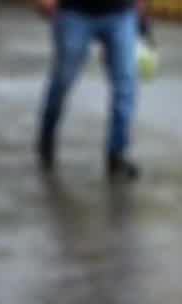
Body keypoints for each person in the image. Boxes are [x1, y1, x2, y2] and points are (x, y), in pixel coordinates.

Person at [35, 0, 142, 179]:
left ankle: (116, 154)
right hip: (75, 12)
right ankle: (47, 137)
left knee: (126, 84)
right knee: (62, 80)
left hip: (121, 12)